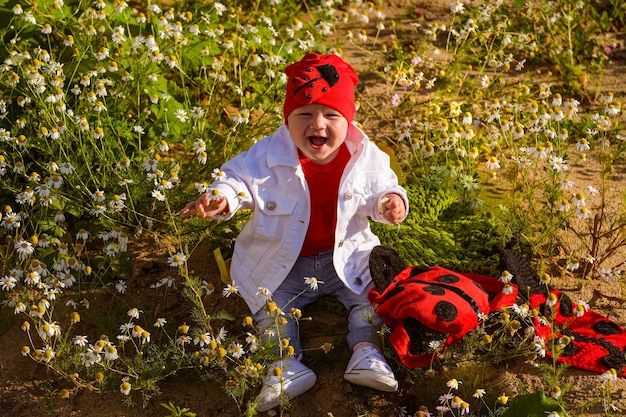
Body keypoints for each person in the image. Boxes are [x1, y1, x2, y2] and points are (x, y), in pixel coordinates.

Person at [181, 52, 408, 412]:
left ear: (347, 121)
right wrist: (222, 198)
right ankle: (284, 364)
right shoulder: (267, 154)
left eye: (332, 115)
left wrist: (391, 201)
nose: (318, 124)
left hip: (344, 257)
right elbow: (237, 179)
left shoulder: (365, 156)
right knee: (269, 307)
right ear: (287, 120)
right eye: (304, 114)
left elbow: (384, 187)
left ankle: (366, 352)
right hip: (284, 262)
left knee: (372, 296)